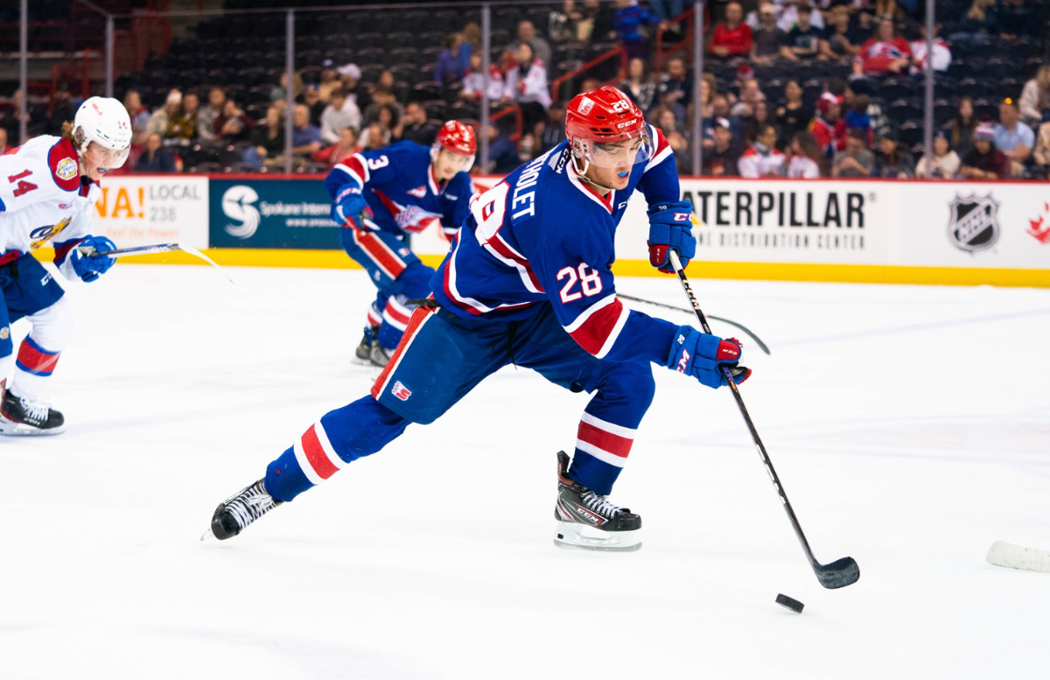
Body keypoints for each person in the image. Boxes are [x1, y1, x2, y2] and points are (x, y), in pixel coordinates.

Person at [206, 86, 751, 551]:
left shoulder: (619, 150)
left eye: (629, 143)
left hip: (535, 307)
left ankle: (581, 497)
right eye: (614, 149)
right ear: (580, 148)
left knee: (630, 378)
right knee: (383, 418)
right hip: (465, 321)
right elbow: (598, 327)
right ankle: (269, 488)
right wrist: (686, 348)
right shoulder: (564, 215)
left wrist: (667, 210)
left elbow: (657, 155)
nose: (627, 159)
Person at [0, 96, 128, 435]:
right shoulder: (51, 164)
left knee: (57, 322)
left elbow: (67, 254)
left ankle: (13, 408)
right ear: (82, 139)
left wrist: (87, 259)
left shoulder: (85, 188)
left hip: (9, 256)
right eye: (104, 151)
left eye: (118, 153)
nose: (110, 161)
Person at [326, 120, 477, 367]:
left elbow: (461, 236)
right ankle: (387, 347)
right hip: (363, 226)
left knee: (396, 290)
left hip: (390, 235)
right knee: (420, 281)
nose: (455, 165)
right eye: (450, 155)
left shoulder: (459, 184)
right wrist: (348, 194)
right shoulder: (408, 157)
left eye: (463, 159)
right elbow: (351, 167)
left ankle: (369, 342)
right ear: (437, 149)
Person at [994, 98, 1034, 176]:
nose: (1002, 116)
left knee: (1012, 167)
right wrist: (1012, 154)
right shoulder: (996, 132)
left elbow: (1022, 155)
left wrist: (1002, 154)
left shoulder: (1025, 132)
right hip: (998, 165)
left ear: (1016, 113)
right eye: (1001, 113)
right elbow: (993, 154)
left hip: (1020, 166)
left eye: (1006, 113)